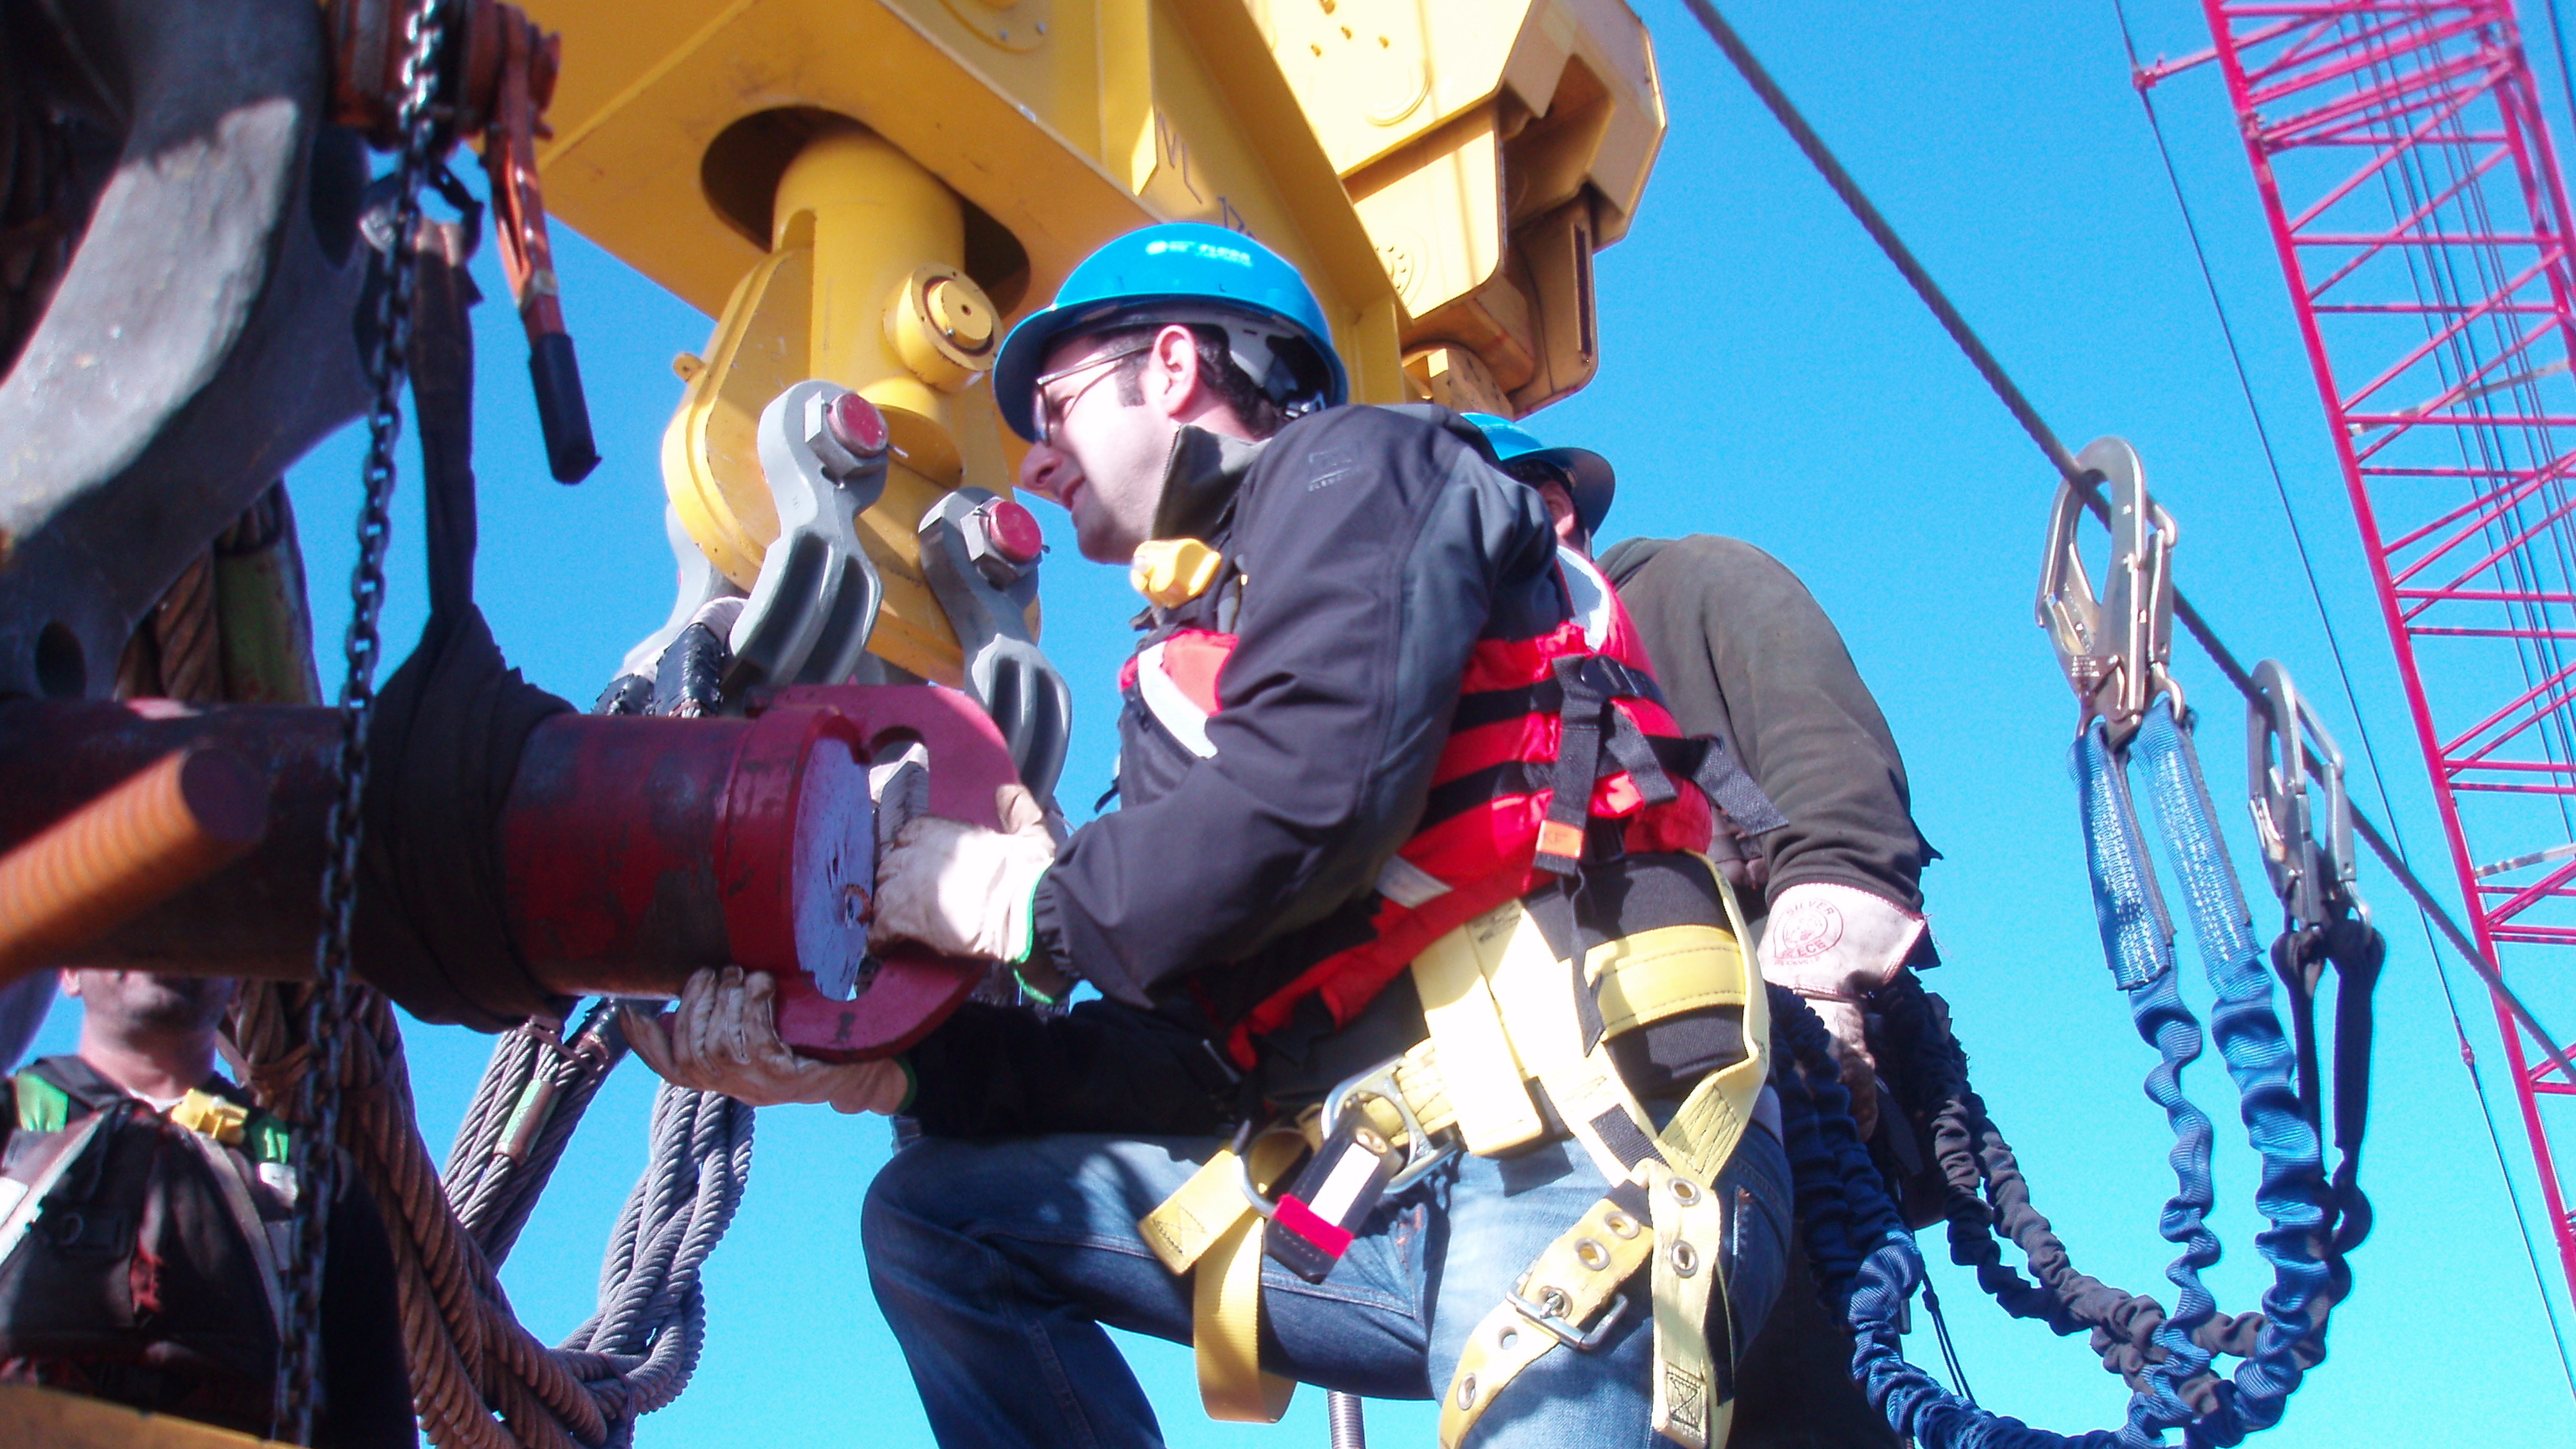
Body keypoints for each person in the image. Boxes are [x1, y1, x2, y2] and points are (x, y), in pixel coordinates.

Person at [626, 221, 1794, 1449]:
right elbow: (1186, 1058)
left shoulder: (1366, 466)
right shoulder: (1185, 688)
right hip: (1382, 1184)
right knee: (936, 1220)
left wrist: (1022, 900)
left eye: (1056, 408)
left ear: (1175, 366)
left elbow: (1319, 793)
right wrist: (903, 1073)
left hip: (1583, 1141)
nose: (1034, 463)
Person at [1467, 412, 1939, 1449]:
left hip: (1762, 1088)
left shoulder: (1691, 586)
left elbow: (1832, 788)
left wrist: (1819, 991)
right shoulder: (1472, 690)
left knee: (1797, 1411)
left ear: (1548, 508)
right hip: (1575, 1129)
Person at [0, 971, 416, 1447]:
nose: (164, 946)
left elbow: (375, 1424)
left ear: (237, 984)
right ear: (70, 972)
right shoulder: (8, 1124)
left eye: (191, 936)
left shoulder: (319, 1181)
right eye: (135, 932)